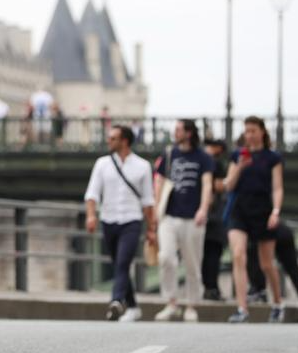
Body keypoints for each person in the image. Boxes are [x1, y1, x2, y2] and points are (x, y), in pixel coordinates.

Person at [84, 125, 157, 321]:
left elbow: (148, 201)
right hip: (109, 220)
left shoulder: (142, 166)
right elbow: (92, 193)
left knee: (123, 261)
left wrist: (151, 228)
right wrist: (91, 216)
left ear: (125, 141)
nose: (109, 141)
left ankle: (116, 301)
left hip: (132, 220)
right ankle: (133, 306)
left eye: (113, 138)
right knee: (119, 264)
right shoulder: (102, 164)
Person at [223, 116, 285, 323]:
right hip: (239, 210)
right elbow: (228, 185)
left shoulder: (272, 158)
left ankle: (278, 302)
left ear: (262, 132)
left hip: (263, 211)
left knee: (266, 263)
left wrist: (275, 211)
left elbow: (277, 187)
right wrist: (240, 166)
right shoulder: (238, 155)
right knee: (238, 255)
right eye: (246, 131)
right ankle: (242, 308)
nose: (249, 135)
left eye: (253, 131)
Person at [153, 120, 214, 322]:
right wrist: (156, 208)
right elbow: (159, 181)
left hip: (193, 217)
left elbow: (207, 184)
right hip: (169, 215)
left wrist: (203, 209)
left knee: (192, 263)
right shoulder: (169, 154)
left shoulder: (203, 157)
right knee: (166, 257)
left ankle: (191, 305)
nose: (175, 132)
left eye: (178, 129)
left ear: (189, 133)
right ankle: (171, 302)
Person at [247, 222, 298, 323]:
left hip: (269, 234)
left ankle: (259, 290)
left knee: (260, 261)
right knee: (294, 271)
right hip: (282, 231)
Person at [201, 138, 229, 300]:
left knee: (207, 254)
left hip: (208, 216)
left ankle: (209, 288)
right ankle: (211, 288)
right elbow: (219, 187)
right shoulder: (215, 163)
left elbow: (217, 186)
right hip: (214, 216)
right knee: (212, 254)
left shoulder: (209, 163)